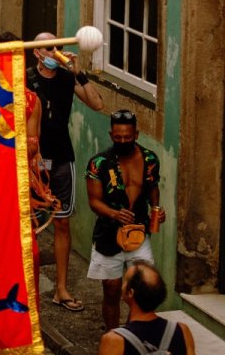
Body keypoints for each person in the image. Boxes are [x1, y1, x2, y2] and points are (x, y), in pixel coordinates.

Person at [27, 31, 106, 313]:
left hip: (61, 158)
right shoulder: (25, 78)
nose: (54, 53)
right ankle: (27, 289)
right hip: (32, 161)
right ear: (37, 53)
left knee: (62, 223)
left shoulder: (65, 78)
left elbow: (98, 104)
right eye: (48, 49)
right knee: (29, 226)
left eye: (58, 47)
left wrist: (79, 73)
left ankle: (60, 289)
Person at [87, 109, 164, 331]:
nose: (122, 141)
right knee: (111, 289)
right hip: (108, 235)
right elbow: (94, 201)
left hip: (139, 234)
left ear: (136, 134)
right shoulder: (98, 163)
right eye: (118, 137)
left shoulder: (150, 159)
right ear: (111, 135)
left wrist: (157, 209)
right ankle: (114, 337)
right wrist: (114, 214)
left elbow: (153, 187)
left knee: (142, 290)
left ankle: (135, 334)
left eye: (127, 137)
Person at [97, 261, 194, 355]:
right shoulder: (183, 331)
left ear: (130, 293)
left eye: (125, 281)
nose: (122, 285)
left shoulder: (114, 340)